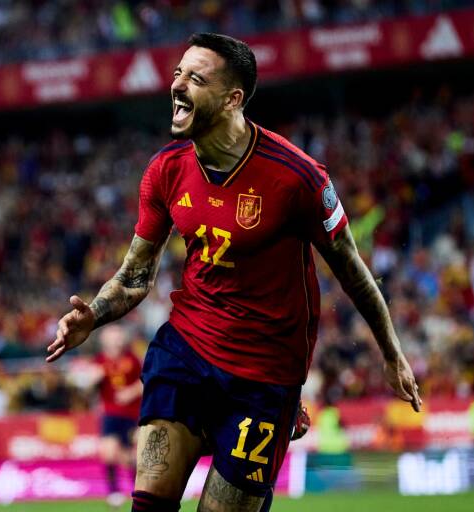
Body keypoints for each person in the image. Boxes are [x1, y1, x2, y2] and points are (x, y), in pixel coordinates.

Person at [48, 33, 422, 512]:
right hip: (186, 351)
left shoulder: (298, 178)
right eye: (178, 73)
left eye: (195, 78)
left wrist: (391, 353)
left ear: (232, 99)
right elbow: (135, 276)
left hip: (264, 376)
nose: (177, 85)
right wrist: (94, 316)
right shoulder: (165, 170)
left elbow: (353, 272)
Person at [87, 324, 144, 508]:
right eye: (112, 336)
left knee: (130, 458)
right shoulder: (99, 361)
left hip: (131, 414)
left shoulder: (132, 359)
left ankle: (139, 491)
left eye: (118, 336)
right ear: (104, 340)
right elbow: (89, 387)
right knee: (108, 452)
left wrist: (130, 392)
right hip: (110, 413)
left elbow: (145, 382)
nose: (116, 340)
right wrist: (92, 380)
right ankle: (113, 491)